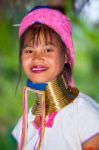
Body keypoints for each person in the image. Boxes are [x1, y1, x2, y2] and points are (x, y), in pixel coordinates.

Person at [12, 6, 99, 150]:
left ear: (65, 55)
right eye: (29, 50)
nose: (37, 58)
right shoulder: (25, 122)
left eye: (47, 50)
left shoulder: (84, 115)